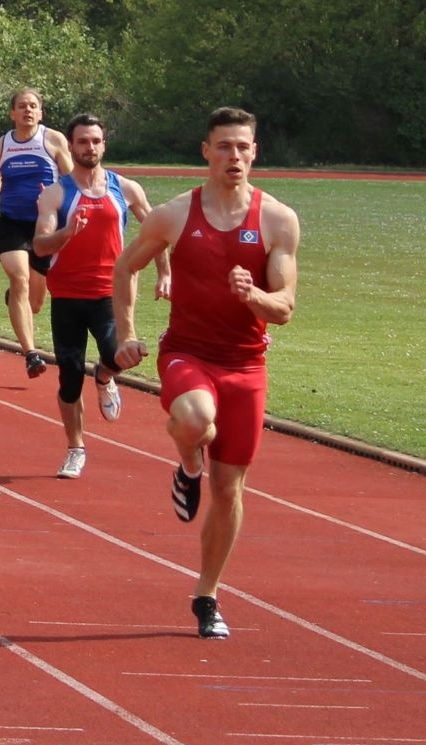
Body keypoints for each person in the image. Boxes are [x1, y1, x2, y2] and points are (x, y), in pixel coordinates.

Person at [113, 106, 300, 638]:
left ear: (254, 153)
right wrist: (126, 333)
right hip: (187, 354)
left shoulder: (277, 220)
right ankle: (188, 462)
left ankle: (207, 594)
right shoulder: (174, 214)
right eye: (224, 146)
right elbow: (126, 266)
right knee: (195, 418)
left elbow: (284, 308)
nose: (233, 156)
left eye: (242, 147)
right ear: (206, 152)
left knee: (229, 490)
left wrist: (253, 294)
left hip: (245, 365)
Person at [33, 114, 170, 479]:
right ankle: (75, 448)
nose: (89, 147)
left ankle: (105, 375)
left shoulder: (125, 188)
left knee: (120, 356)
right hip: (67, 297)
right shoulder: (55, 193)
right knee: (69, 378)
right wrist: (67, 232)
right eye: (82, 141)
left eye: (95, 141)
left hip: (110, 295)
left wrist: (165, 272)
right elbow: (40, 245)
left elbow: (156, 232)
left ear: (103, 145)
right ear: (71, 146)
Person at [0, 88, 73, 379]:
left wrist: (59, 200)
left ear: (40, 113)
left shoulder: (53, 140)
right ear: (12, 113)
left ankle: (16, 297)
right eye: (22, 106)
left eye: (33, 106)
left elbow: (71, 180)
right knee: (20, 278)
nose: (28, 110)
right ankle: (31, 354)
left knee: (36, 303)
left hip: (44, 226)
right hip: (12, 224)